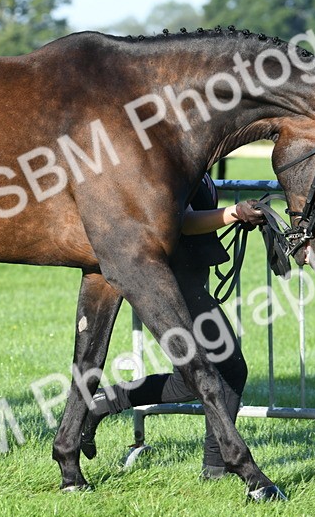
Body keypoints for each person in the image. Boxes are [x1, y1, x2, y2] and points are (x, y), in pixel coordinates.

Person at [79, 174, 266, 479]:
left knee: (192, 379)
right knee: (226, 370)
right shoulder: (171, 157)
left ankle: (103, 403)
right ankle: (216, 465)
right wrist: (233, 213)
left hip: (189, 279)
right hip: (173, 282)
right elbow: (184, 220)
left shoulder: (197, 160)